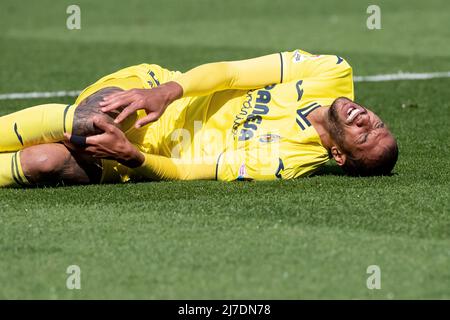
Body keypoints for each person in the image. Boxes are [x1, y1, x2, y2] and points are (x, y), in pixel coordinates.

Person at [0, 49, 398, 187]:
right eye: (378, 123)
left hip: (132, 157)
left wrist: (133, 158)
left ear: (339, 156)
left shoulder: (285, 163)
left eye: (365, 135)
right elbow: (231, 73)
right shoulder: (332, 73)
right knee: (91, 123)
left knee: (43, 162)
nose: (367, 119)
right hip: (153, 93)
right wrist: (165, 92)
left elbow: (195, 171)